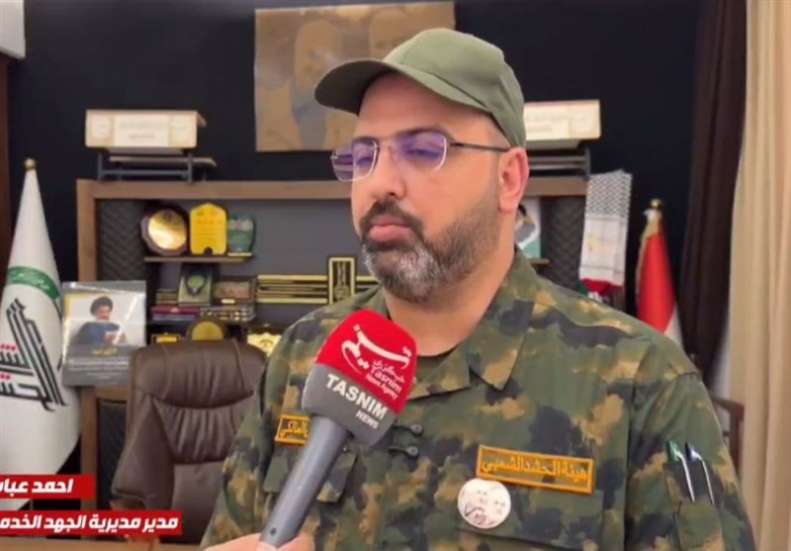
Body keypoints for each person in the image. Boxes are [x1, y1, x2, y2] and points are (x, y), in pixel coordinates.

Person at [202, 29, 754, 550]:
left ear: (509, 179)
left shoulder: (641, 380)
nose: (380, 182)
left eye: (424, 149)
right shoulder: (303, 356)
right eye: (364, 155)